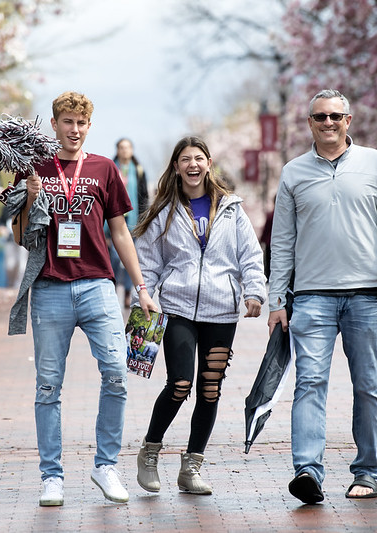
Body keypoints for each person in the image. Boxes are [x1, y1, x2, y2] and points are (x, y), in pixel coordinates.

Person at [9, 91, 157, 507]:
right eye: (67, 122)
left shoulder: (104, 169)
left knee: (116, 373)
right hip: (51, 288)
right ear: (54, 124)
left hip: (97, 286)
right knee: (48, 386)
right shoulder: (34, 168)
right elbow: (21, 238)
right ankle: (51, 477)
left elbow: (120, 232)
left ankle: (105, 465)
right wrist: (32, 197)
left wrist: (141, 288)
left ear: (89, 126)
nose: (74, 130)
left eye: (82, 123)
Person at [267, 89, 377, 504]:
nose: (327, 123)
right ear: (309, 123)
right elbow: (282, 241)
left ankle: (366, 471)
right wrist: (277, 300)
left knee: (368, 385)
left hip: (367, 295)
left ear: (348, 120)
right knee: (309, 383)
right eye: (319, 117)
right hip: (311, 296)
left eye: (335, 116)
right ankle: (308, 472)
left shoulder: (375, 163)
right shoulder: (293, 172)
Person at [132, 136, 266, 495]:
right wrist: (144, 295)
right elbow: (147, 262)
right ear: (176, 167)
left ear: (209, 163)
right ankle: (150, 450)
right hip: (176, 309)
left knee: (210, 390)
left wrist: (254, 291)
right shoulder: (164, 212)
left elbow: (250, 256)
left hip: (222, 311)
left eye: (199, 158)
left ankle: (191, 467)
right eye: (185, 159)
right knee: (180, 384)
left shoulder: (231, 209)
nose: (192, 165)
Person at [106, 137, 149, 307]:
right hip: (113, 222)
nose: (124, 150)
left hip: (134, 222)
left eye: (127, 147)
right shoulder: (109, 168)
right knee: (115, 259)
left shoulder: (138, 170)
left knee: (133, 259)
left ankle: (128, 293)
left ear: (132, 150)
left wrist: (144, 222)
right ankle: (113, 288)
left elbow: (144, 197)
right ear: (117, 150)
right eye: (121, 147)